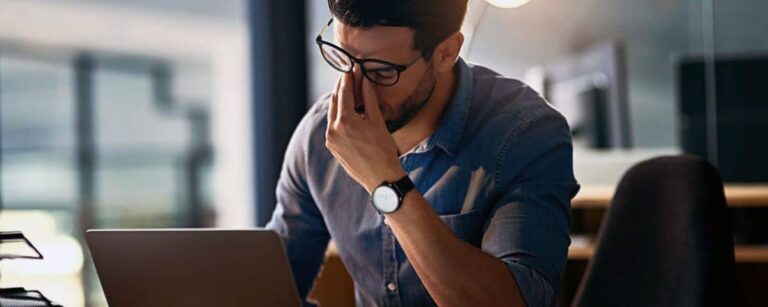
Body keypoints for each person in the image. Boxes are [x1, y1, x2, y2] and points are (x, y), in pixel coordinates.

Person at [267, 0, 579, 306]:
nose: (354, 90)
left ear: (446, 52)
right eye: (343, 58)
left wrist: (384, 182)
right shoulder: (318, 135)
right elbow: (272, 284)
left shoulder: (525, 134)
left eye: (381, 72)